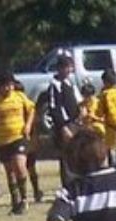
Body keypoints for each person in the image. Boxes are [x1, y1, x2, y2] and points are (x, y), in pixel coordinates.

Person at [0, 73, 36, 214]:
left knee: (19, 166)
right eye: (5, 85)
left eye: (10, 85)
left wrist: (28, 125)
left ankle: (25, 199)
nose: (8, 88)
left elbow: (31, 109)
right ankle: (15, 201)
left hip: (18, 136)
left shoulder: (19, 97)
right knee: (10, 172)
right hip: (2, 140)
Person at [45, 56, 82, 188]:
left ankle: (78, 182)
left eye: (70, 67)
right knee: (66, 156)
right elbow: (55, 108)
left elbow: (78, 101)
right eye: (66, 67)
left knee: (77, 153)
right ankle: (68, 185)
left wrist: (81, 112)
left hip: (76, 123)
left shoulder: (70, 83)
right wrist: (63, 127)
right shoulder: (54, 85)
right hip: (64, 126)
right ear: (60, 68)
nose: (69, 70)